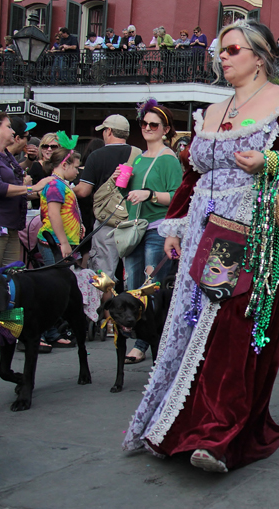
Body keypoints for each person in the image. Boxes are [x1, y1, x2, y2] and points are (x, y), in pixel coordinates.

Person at [122, 20, 279, 473]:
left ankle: (218, 436)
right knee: (192, 324)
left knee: (232, 329)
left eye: (233, 49)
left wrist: (271, 160)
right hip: (203, 233)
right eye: (220, 49)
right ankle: (178, 425)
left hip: (250, 234)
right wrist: (175, 226)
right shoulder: (211, 112)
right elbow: (192, 175)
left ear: (260, 56)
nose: (223, 55)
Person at [116, 100, 181, 364]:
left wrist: (150, 194)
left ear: (166, 129)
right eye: (144, 123)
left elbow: (178, 197)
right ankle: (143, 338)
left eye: (154, 124)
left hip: (157, 228)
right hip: (134, 228)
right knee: (133, 286)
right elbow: (130, 195)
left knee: (150, 288)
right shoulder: (139, 158)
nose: (148, 128)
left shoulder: (169, 159)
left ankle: (145, 343)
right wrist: (120, 183)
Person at [0, 110, 53, 270]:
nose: (13, 131)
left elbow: (16, 189)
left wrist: (41, 193)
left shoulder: (4, 154)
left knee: (13, 275)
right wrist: (33, 187)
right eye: (8, 126)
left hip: (9, 226)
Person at [74, 115, 137, 289]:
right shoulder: (139, 154)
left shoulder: (96, 156)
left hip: (106, 221)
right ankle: (130, 302)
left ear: (108, 131)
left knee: (103, 272)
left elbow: (84, 191)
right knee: (132, 272)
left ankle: (103, 303)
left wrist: (66, 188)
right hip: (132, 221)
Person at [37, 145, 82, 266]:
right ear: (64, 165)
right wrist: (64, 243)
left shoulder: (60, 183)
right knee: (55, 276)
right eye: (76, 167)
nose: (78, 172)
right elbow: (53, 214)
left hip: (59, 242)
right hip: (54, 243)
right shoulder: (55, 185)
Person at [28, 132, 59, 209]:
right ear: (41, 149)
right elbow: (27, 190)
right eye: (45, 146)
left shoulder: (62, 166)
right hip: (39, 209)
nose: (49, 149)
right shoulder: (34, 166)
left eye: (53, 147)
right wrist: (39, 193)